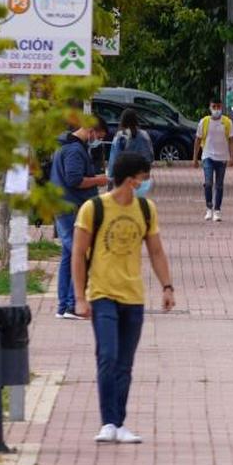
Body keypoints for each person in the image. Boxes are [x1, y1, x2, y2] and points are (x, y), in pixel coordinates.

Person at [73, 152, 175, 444]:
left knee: (125, 363)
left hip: (133, 297)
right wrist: (80, 298)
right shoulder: (93, 209)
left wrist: (167, 287)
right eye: (143, 178)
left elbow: (156, 251)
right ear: (131, 180)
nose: (145, 184)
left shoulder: (145, 209)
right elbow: (78, 255)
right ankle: (108, 422)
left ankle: (119, 422)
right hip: (102, 293)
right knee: (107, 355)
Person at [49, 115, 109, 319]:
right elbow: (74, 180)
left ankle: (64, 305)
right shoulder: (74, 150)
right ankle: (72, 305)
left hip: (66, 205)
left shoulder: (68, 145)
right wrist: (97, 180)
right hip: (71, 208)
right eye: (98, 135)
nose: (97, 139)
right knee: (79, 254)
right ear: (90, 130)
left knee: (69, 256)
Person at [193, 99, 233, 222]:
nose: (216, 109)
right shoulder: (204, 122)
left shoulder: (227, 122)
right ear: (210, 107)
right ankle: (209, 207)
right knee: (208, 183)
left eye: (218, 106)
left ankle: (217, 210)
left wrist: (232, 156)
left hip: (222, 157)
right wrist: (195, 158)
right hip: (208, 156)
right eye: (214, 106)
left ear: (221, 107)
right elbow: (197, 140)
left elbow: (232, 139)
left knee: (219, 185)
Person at [106, 109, 154, 188]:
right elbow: (150, 157)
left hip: (123, 176)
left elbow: (114, 158)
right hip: (139, 176)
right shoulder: (144, 135)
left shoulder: (120, 136)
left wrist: (110, 178)